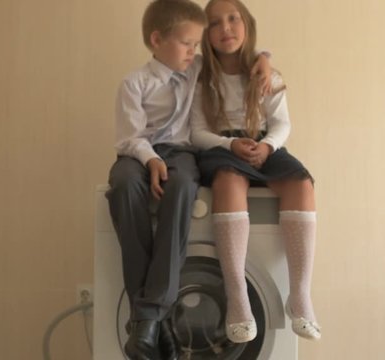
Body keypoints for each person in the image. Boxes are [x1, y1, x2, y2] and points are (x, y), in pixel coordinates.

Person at [106, 0, 272, 358]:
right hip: (137, 154)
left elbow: (234, 53)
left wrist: (265, 58)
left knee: (182, 186)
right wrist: (150, 160)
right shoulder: (133, 83)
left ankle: (147, 319)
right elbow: (128, 138)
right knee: (122, 186)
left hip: (181, 154)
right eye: (187, 43)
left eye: (197, 44)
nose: (194, 50)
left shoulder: (197, 68)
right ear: (156, 40)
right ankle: (152, 317)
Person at [190, 0, 322, 343]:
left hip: (265, 145)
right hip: (221, 149)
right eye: (215, 23)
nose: (226, 29)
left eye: (233, 19)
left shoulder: (267, 75)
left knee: (301, 184)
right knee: (228, 182)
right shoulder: (201, 77)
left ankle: (300, 295)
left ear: (247, 23)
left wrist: (268, 147)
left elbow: (282, 124)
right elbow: (196, 132)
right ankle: (237, 298)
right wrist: (228, 146)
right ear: (206, 34)